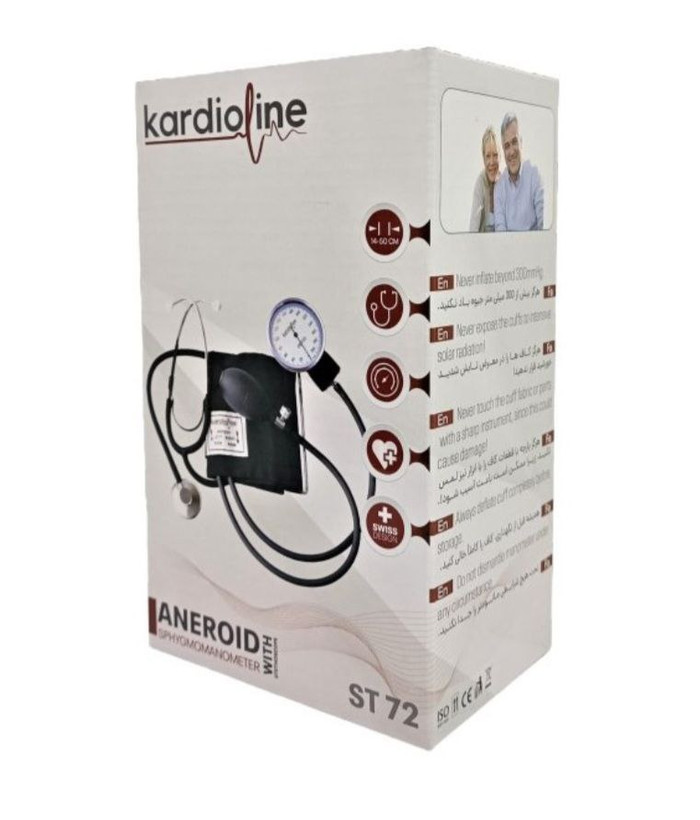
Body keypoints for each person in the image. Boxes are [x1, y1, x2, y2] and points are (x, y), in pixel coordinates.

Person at [494, 113, 544, 231]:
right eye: (507, 146)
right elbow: (500, 230)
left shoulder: (534, 174)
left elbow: (543, 222)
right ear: (503, 150)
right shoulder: (499, 188)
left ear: (521, 142)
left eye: (514, 142)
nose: (511, 152)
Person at [469, 126, 501, 232]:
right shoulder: (480, 183)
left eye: (495, 155)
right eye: (488, 156)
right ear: (483, 158)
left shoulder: (505, 182)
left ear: (500, 156)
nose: (491, 162)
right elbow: (473, 226)